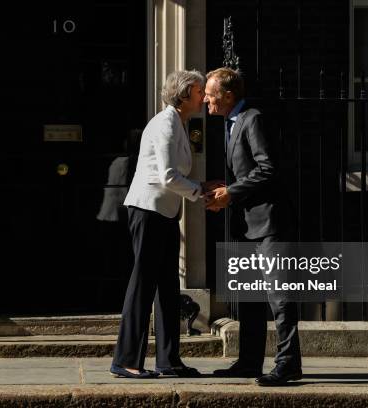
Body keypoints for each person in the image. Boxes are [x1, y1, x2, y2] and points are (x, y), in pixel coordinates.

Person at [110, 70, 216, 379]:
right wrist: (201, 192)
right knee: (143, 285)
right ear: (184, 96)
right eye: (199, 92)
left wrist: (202, 185)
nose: (203, 96)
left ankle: (169, 360)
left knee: (169, 289)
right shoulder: (166, 123)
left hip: (165, 214)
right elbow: (169, 176)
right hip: (148, 210)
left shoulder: (179, 123)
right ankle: (126, 361)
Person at [204, 67, 302, 386]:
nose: (205, 100)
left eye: (210, 94)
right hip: (247, 225)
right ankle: (249, 361)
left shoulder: (253, 118)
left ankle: (287, 364)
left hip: (269, 222)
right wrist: (225, 187)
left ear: (228, 95)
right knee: (249, 296)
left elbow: (268, 169)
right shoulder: (231, 123)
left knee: (280, 297)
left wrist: (231, 193)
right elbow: (246, 171)